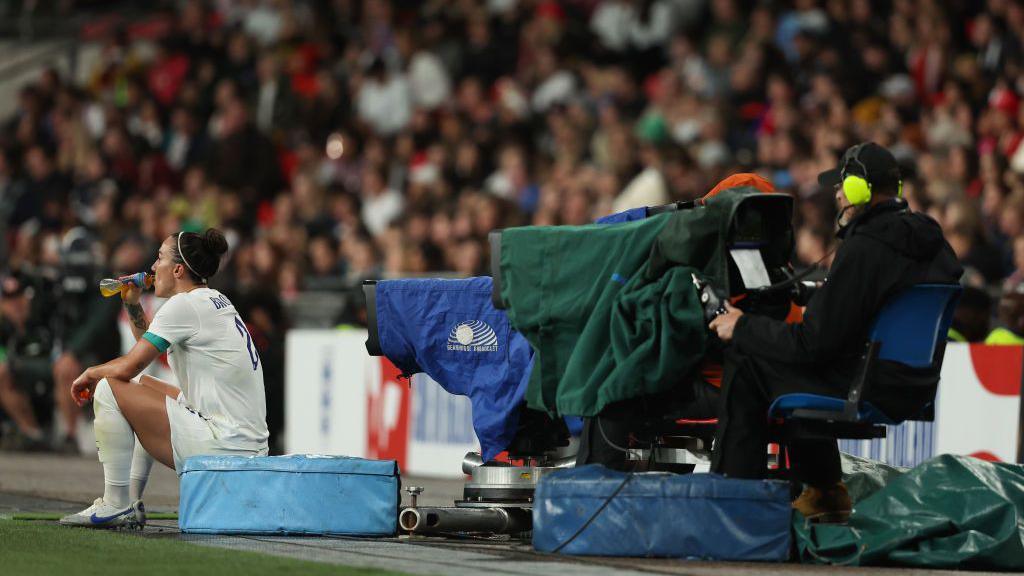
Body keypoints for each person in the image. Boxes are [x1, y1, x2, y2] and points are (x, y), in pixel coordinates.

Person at [708, 143, 962, 522]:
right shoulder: (933, 241)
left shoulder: (864, 247)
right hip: (911, 385)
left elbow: (812, 345)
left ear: (862, 189)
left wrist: (741, 325)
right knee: (792, 357)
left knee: (748, 358)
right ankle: (826, 493)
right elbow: (875, 303)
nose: (838, 194)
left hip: (866, 383)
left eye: (844, 185)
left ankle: (732, 509)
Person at [59, 228, 269, 529]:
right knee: (144, 387)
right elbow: (147, 348)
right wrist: (132, 303)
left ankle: (115, 503)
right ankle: (129, 501)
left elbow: (129, 366)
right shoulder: (211, 300)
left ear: (179, 269)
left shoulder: (184, 306)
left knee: (109, 387)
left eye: (160, 258)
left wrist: (91, 373)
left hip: (224, 445)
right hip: (244, 446)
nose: (153, 267)